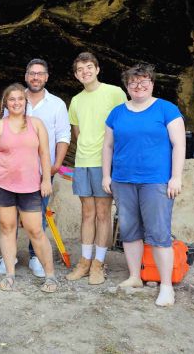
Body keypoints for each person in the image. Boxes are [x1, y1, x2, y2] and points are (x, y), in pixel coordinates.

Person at [102, 64, 185, 306]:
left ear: (152, 82)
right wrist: (107, 176)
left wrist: (176, 177)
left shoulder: (166, 109)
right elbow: (107, 146)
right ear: (126, 86)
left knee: (158, 233)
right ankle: (135, 276)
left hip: (156, 181)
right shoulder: (117, 113)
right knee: (129, 230)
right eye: (133, 83)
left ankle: (167, 286)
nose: (138, 86)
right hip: (123, 180)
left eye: (143, 81)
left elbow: (179, 145)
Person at [0, 59, 71, 278]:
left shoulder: (56, 104)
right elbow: (5, 135)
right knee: (9, 219)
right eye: (31, 73)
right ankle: (9, 257)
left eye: (40, 74)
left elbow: (63, 136)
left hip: (41, 173)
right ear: (26, 76)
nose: (35, 77)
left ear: (47, 77)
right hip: (12, 173)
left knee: (36, 221)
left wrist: (55, 166)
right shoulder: (16, 99)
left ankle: (35, 257)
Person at [0, 83, 58, 292]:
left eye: (20, 99)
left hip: (31, 185)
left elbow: (44, 153)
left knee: (36, 230)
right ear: (5, 103)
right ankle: (10, 274)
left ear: (26, 102)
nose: (16, 103)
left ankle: (50, 275)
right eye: (12, 99)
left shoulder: (37, 124)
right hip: (2, 184)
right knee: (7, 228)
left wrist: (45, 180)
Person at [66, 52, 127, 285]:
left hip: (105, 162)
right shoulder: (76, 100)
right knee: (87, 214)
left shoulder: (114, 93)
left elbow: (123, 125)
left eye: (89, 67)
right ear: (76, 75)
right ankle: (84, 262)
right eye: (80, 69)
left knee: (103, 213)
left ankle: (98, 264)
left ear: (98, 69)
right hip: (83, 162)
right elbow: (77, 132)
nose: (85, 72)